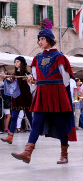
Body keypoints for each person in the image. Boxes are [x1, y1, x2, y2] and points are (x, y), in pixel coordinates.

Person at [11, 29, 77, 164]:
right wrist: (32, 81)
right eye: (39, 39)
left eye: (42, 39)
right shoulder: (37, 58)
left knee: (60, 125)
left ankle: (64, 154)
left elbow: (65, 80)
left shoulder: (59, 57)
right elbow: (36, 79)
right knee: (35, 123)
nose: (39, 42)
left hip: (56, 94)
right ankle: (27, 153)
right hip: (42, 94)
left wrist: (51, 85)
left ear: (49, 39)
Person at [0, 56, 33, 144]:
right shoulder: (14, 74)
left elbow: (32, 85)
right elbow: (12, 86)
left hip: (25, 98)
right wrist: (5, 79)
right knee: (14, 117)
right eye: (15, 62)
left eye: (18, 61)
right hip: (16, 98)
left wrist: (29, 79)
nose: (16, 63)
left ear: (22, 63)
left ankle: (34, 136)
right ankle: (10, 137)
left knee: (29, 116)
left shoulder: (27, 73)